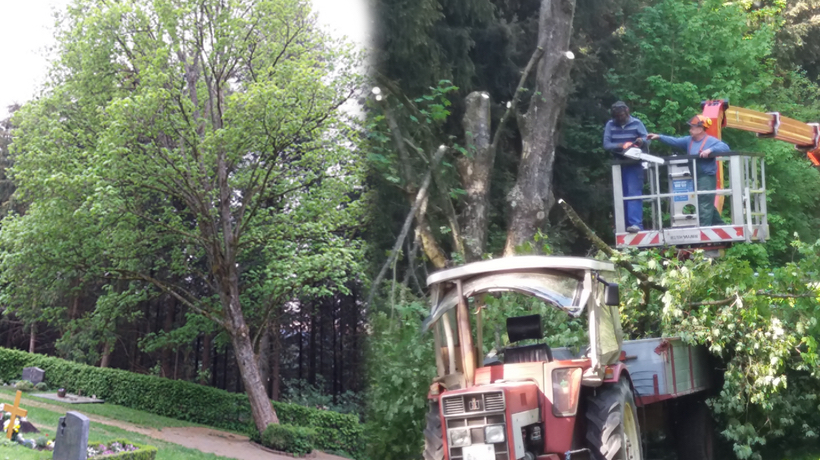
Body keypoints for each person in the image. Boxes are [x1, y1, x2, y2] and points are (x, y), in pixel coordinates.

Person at [647, 114, 730, 226]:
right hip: (696, 176)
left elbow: (725, 147)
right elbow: (674, 141)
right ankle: (721, 227)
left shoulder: (710, 141)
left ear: (700, 129)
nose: (690, 129)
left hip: (706, 177)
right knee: (705, 202)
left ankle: (704, 232)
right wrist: (659, 137)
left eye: (693, 127)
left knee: (704, 203)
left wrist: (710, 150)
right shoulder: (688, 141)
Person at [603, 101, 650, 233]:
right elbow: (606, 144)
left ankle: (635, 224)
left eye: (622, 115)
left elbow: (647, 138)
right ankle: (621, 225)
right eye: (617, 116)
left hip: (634, 163)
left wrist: (640, 141)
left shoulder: (637, 123)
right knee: (620, 193)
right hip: (618, 163)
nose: (620, 118)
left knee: (633, 192)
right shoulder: (610, 124)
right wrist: (621, 145)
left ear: (627, 111)